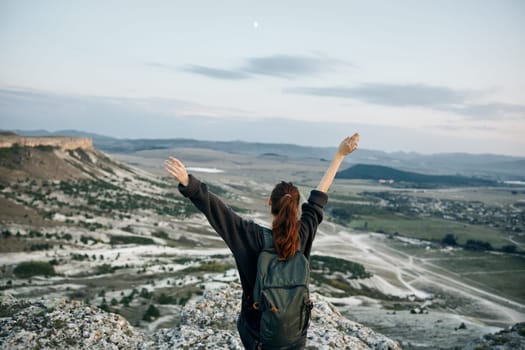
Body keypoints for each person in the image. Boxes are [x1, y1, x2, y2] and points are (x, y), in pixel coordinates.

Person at [164, 133, 360, 349]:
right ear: (296, 208)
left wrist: (188, 183)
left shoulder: (250, 235)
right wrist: (340, 155)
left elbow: (217, 210)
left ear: (269, 202)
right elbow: (318, 199)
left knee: (245, 322)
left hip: (258, 337)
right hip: (295, 336)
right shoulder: (303, 234)